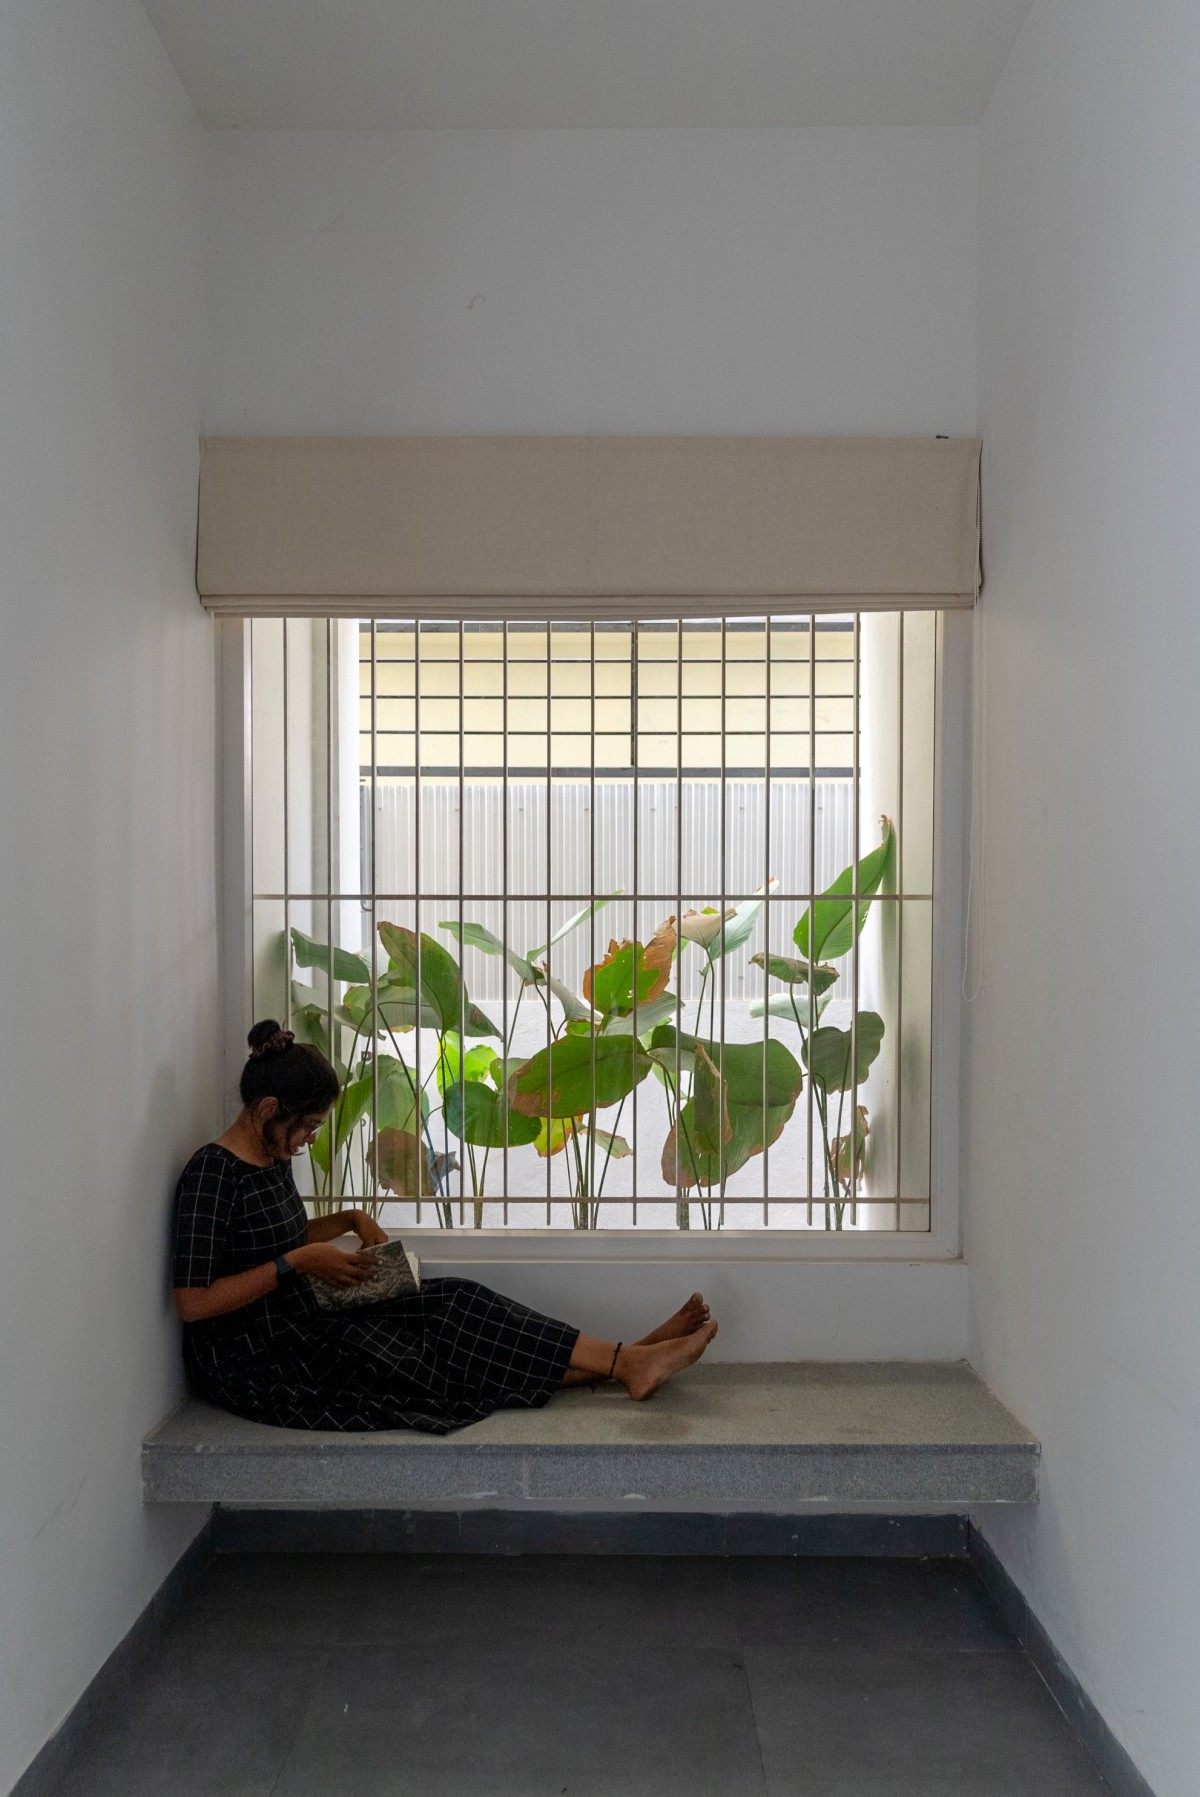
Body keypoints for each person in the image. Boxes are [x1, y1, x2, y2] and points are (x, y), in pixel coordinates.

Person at [172, 1019, 719, 1433]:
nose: (310, 1139)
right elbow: (193, 1303)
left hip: (301, 1316)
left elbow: (274, 1237)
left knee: (459, 1300)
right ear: (268, 1109)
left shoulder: (271, 1160)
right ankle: (625, 1360)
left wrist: (350, 1220)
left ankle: (625, 1360)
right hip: (257, 1356)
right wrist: (298, 1263)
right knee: (428, 1358)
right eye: (308, 1127)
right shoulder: (211, 1174)